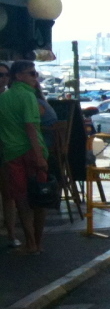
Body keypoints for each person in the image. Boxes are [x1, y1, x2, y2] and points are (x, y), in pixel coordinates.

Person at [0, 60, 49, 254]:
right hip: (30, 151)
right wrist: (40, 157)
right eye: (31, 73)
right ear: (19, 76)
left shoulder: (3, 98)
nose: (35, 77)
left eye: (35, 73)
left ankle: (29, 241)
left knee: (20, 198)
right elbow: (31, 127)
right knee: (40, 196)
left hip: (11, 153)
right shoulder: (28, 96)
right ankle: (37, 241)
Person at [0, 62, 20, 248]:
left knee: (9, 195)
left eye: (6, 75)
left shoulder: (11, 98)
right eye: (0, 75)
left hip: (7, 150)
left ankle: (11, 234)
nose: (3, 78)